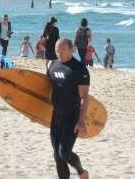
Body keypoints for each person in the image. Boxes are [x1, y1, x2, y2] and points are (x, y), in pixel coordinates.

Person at [47, 38, 91, 179]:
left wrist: (81, 121)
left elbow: (84, 97)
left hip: (72, 116)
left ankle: (81, 172)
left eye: (62, 50)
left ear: (72, 49)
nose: (58, 53)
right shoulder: (51, 65)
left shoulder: (80, 69)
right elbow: (45, 90)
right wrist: (35, 113)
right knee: (57, 155)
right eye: (56, 50)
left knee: (64, 152)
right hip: (56, 116)